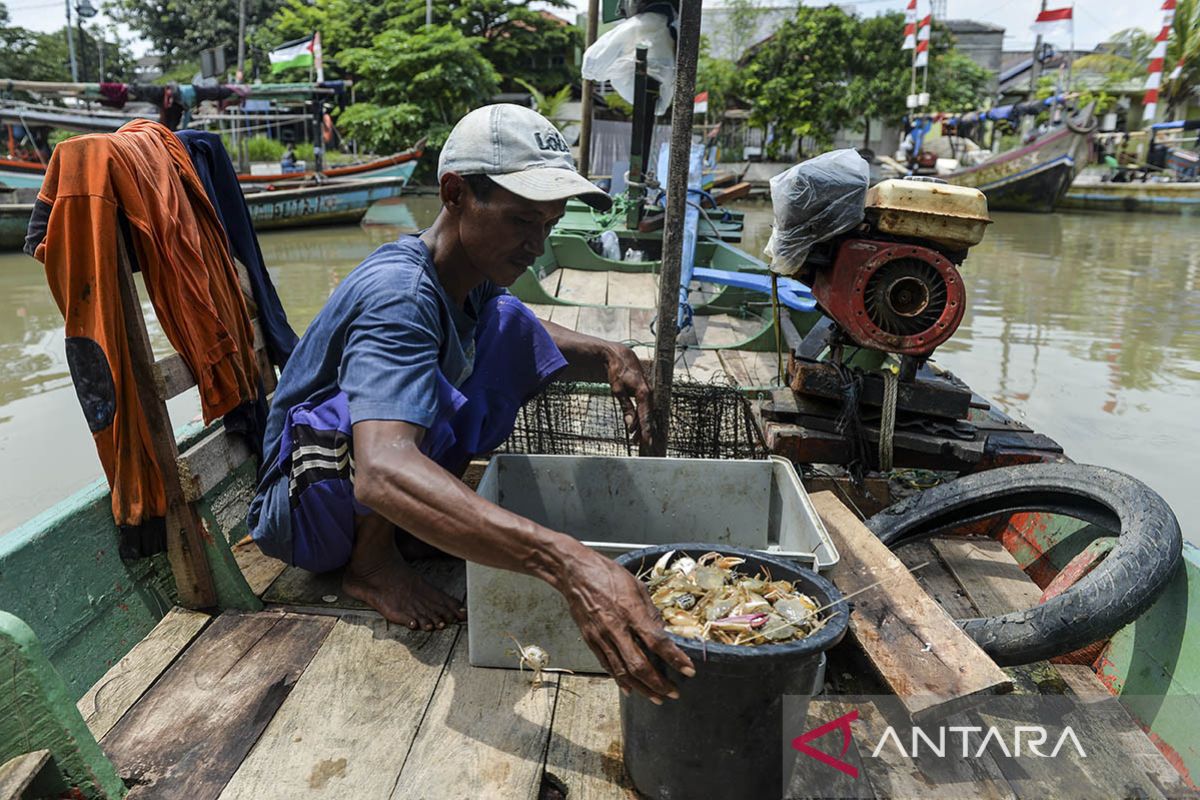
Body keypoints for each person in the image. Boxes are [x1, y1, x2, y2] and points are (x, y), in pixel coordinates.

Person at [248, 104, 694, 703]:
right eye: (519, 220)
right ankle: (371, 565)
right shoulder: (399, 297)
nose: (537, 244)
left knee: (504, 323)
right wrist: (569, 565)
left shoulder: (467, 272)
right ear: (455, 194)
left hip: (345, 478)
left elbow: (519, 333)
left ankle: (402, 535)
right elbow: (381, 471)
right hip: (304, 506)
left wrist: (609, 352)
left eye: (549, 222)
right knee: (414, 399)